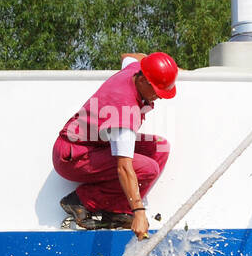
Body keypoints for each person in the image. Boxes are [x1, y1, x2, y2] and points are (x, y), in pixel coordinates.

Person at [52, 51, 178, 238]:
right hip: (72, 156)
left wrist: (168, 73)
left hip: (96, 144)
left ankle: (117, 209)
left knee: (160, 147)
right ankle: (81, 200)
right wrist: (139, 211)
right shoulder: (124, 112)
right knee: (148, 168)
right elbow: (124, 168)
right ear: (143, 81)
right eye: (157, 91)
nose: (158, 97)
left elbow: (129, 55)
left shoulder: (135, 69)